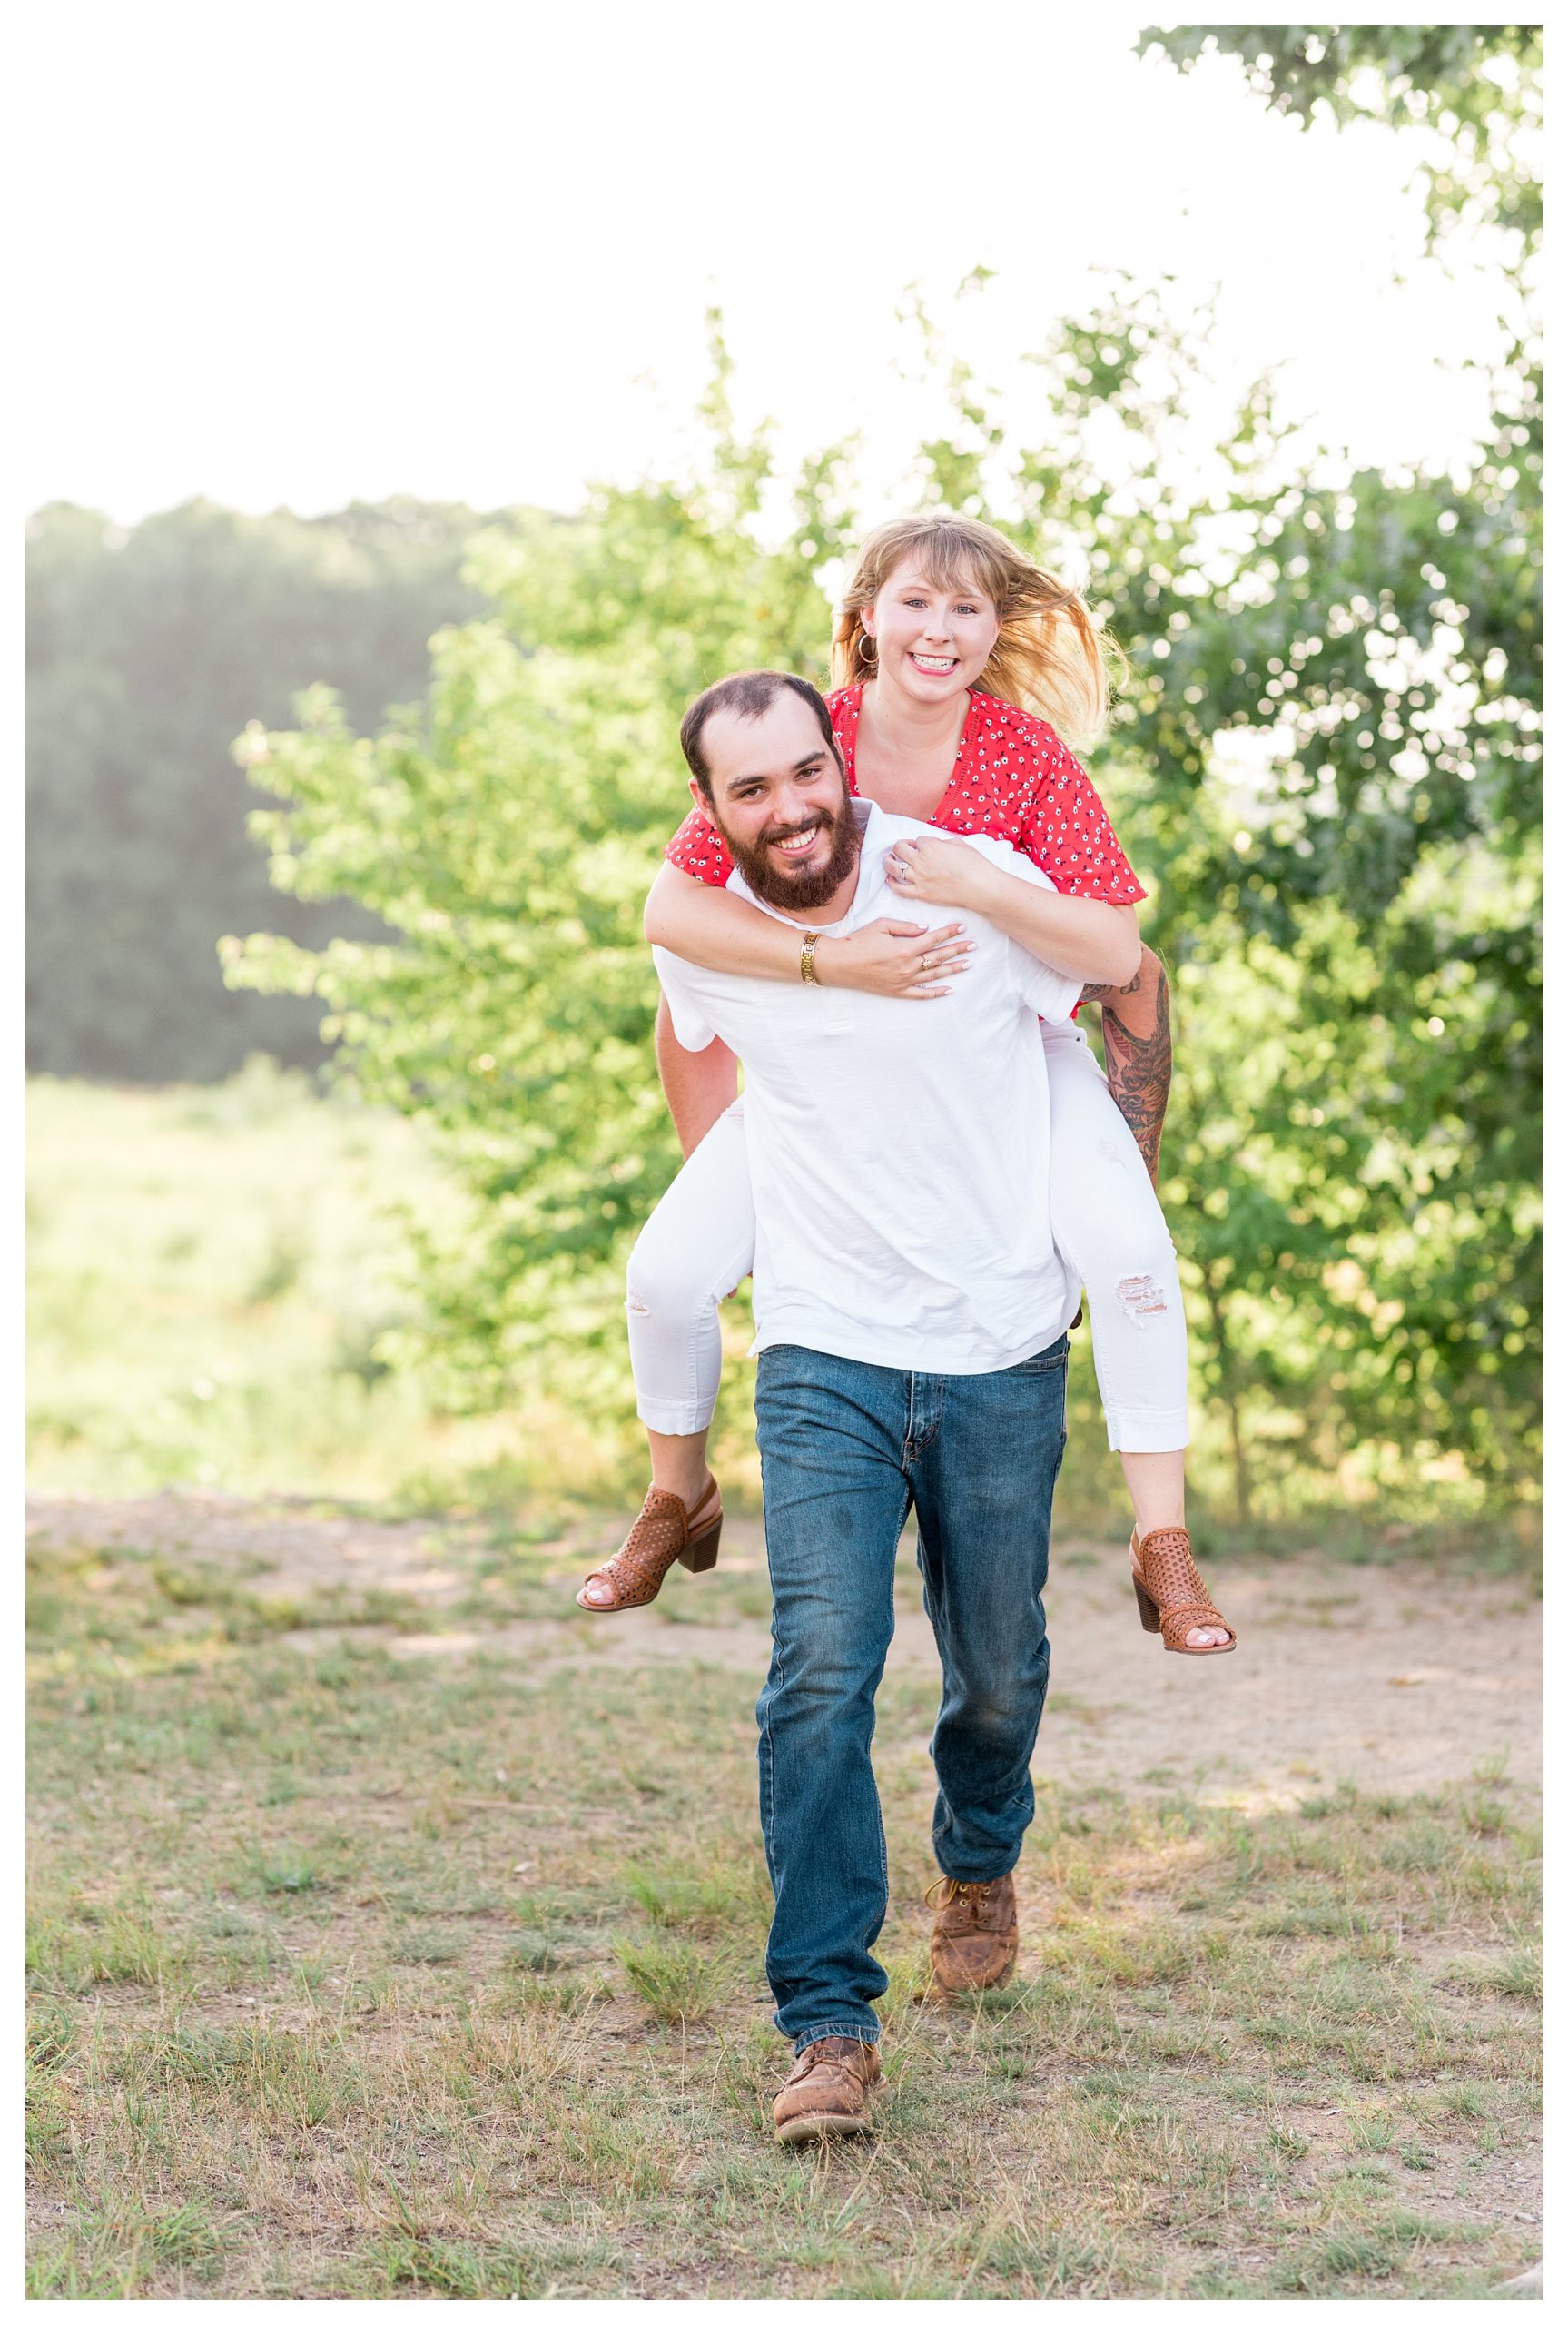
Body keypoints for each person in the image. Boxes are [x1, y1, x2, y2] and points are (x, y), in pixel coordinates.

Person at [577, 513, 1234, 1657]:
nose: (938, 629)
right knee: (669, 1270)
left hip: (1012, 1049)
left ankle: (1159, 1543)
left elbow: (1117, 950)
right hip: (824, 1074)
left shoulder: (1023, 759)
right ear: (865, 617)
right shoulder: (801, 739)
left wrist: (983, 884)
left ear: (993, 630)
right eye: (915, 602)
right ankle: (677, 1493)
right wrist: (822, 968)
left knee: (1128, 1252)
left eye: (966, 608)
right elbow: (673, 916)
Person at [645, 667, 1084, 2140]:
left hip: (999, 1338)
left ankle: (980, 1851)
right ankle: (828, 2024)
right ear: (710, 816)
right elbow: (679, 1012)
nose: (786, 810)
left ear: (844, 757)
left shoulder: (961, 883)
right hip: (823, 1345)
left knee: (995, 1666)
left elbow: (1110, 972)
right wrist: (742, 1200)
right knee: (820, 1667)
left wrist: (1107, 1208)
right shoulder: (722, 934)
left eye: (801, 773)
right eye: (747, 791)